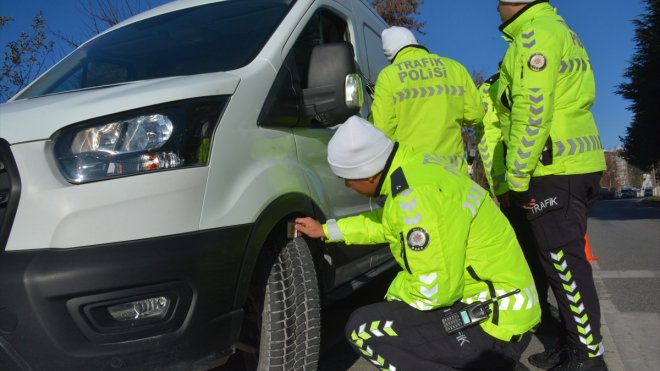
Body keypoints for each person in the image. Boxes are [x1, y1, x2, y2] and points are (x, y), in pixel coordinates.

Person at [295, 116, 540, 370]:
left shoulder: (414, 197)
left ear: (367, 174)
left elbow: (434, 289)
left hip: (494, 322)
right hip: (507, 303)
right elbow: (387, 223)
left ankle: (494, 363)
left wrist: (395, 293)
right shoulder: (416, 167)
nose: (347, 184)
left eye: (347, 178)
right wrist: (327, 229)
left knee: (363, 330)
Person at [493, 1, 608, 369]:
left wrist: (517, 178)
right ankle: (571, 342)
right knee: (558, 266)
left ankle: (587, 356)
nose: (495, 8)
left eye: (498, 2)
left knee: (563, 266)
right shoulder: (558, 29)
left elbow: (532, 109)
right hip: (574, 164)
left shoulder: (534, 35)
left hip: (552, 168)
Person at [476, 72, 559, 335]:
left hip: (539, 179)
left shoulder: (516, 80)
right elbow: (490, 142)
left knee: (544, 253)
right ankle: (541, 313)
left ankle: (548, 314)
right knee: (533, 253)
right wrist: (501, 186)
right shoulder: (492, 88)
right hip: (522, 184)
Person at [369, 26, 484, 173]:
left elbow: (382, 131)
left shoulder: (388, 76)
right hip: (454, 172)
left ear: (390, 54)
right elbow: (476, 114)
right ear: (415, 42)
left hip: (413, 173)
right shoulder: (455, 68)